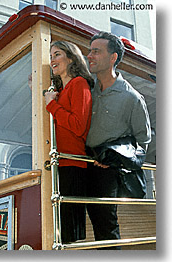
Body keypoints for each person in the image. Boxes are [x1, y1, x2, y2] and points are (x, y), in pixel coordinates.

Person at [85, 32, 151, 249]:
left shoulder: (132, 98)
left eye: (96, 51)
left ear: (113, 57)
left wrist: (116, 161)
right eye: (90, 50)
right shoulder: (86, 89)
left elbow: (143, 142)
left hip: (107, 170)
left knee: (106, 229)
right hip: (79, 163)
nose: (89, 56)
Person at [44, 41, 93, 243]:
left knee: (68, 235)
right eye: (51, 56)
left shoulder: (79, 83)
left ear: (71, 58)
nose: (52, 60)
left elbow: (79, 126)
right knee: (60, 232)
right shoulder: (61, 91)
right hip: (60, 164)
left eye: (57, 54)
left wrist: (52, 106)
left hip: (73, 163)